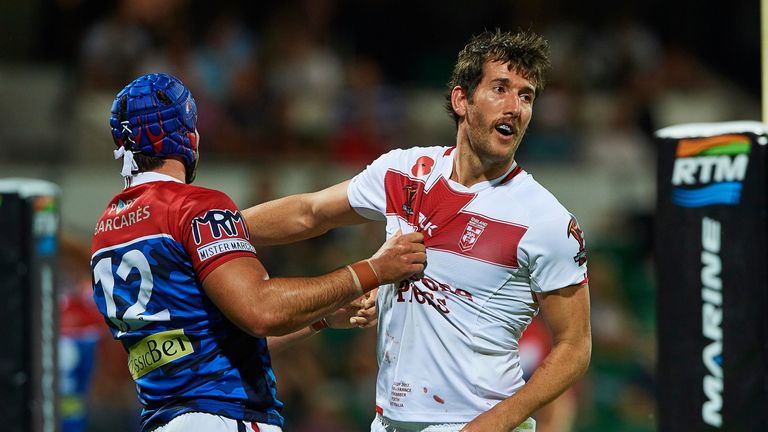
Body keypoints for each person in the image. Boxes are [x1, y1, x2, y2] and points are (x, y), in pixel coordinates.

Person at [241, 29, 592, 432]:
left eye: (526, 96)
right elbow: (309, 213)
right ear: (462, 99)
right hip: (389, 421)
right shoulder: (405, 171)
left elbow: (575, 347)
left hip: (476, 423)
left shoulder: (546, 220)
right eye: (500, 89)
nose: (515, 107)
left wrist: (492, 426)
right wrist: (209, 231)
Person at [89, 73, 426, 432]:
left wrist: (322, 316)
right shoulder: (197, 206)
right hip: (224, 414)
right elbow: (261, 310)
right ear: (187, 135)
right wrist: (373, 269)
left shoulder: (105, 232)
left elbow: (217, 337)